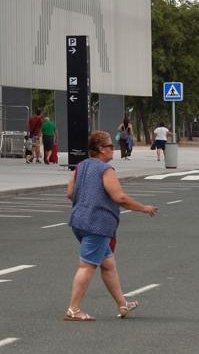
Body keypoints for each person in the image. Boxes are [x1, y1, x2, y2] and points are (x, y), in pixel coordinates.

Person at [63, 130, 157, 321]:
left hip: (79, 221)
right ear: (100, 149)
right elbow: (119, 197)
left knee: (108, 265)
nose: (112, 149)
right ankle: (73, 309)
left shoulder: (80, 166)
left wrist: (85, 202)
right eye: (109, 145)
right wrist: (143, 208)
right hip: (97, 224)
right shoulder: (106, 170)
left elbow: (70, 193)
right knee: (87, 266)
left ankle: (123, 304)